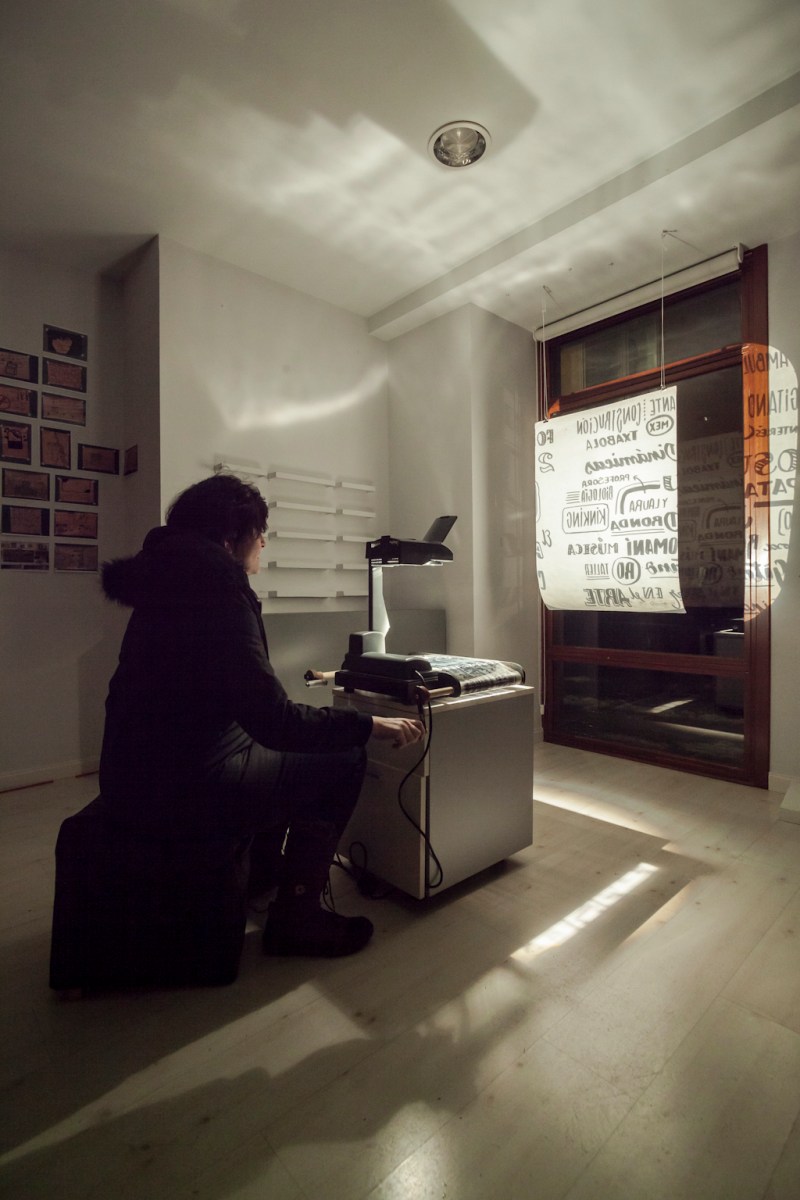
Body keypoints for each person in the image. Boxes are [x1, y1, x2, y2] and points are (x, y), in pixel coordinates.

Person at [98, 472, 424, 958]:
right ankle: (298, 916)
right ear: (232, 538)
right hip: (183, 786)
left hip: (132, 775)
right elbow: (276, 721)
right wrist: (370, 725)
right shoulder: (217, 594)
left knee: (275, 752)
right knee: (343, 758)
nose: (264, 543)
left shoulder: (165, 586)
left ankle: (264, 876)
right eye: (260, 532)